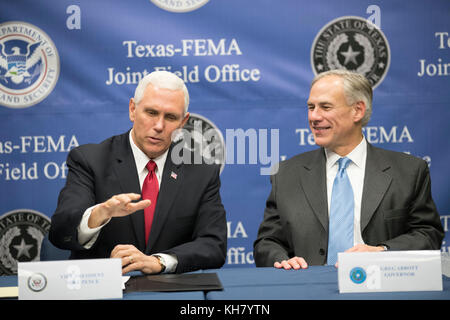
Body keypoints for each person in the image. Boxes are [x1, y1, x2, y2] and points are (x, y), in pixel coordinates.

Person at [253, 69, 444, 270]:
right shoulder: (286, 174)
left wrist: (381, 251)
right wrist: (282, 259)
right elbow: (267, 242)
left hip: (380, 289)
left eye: (325, 107)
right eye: (311, 107)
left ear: (358, 110)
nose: (314, 116)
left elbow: (428, 235)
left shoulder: (409, 171)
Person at [49, 70, 227, 274]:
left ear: (182, 122)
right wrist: (98, 214)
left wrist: (160, 262)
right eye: (151, 113)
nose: (159, 126)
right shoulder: (90, 160)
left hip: (172, 292)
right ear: (133, 109)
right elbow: (60, 232)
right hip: (106, 290)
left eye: (170, 117)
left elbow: (214, 245)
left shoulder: (201, 171)